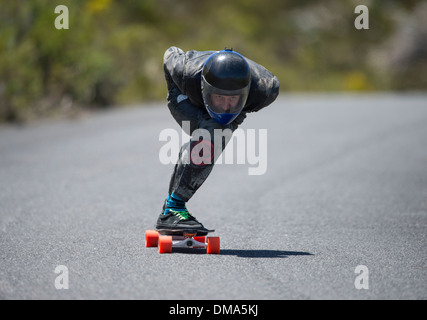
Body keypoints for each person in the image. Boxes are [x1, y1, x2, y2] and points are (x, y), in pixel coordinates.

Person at [156, 46, 279, 231]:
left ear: (245, 93)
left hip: (240, 106)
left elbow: (237, 109)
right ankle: (173, 209)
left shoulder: (265, 89)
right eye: (219, 97)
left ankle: (171, 209)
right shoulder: (185, 70)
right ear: (206, 87)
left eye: (233, 98)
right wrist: (179, 91)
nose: (226, 106)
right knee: (208, 140)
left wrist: (233, 113)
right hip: (187, 96)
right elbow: (169, 53)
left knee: (209, 140)